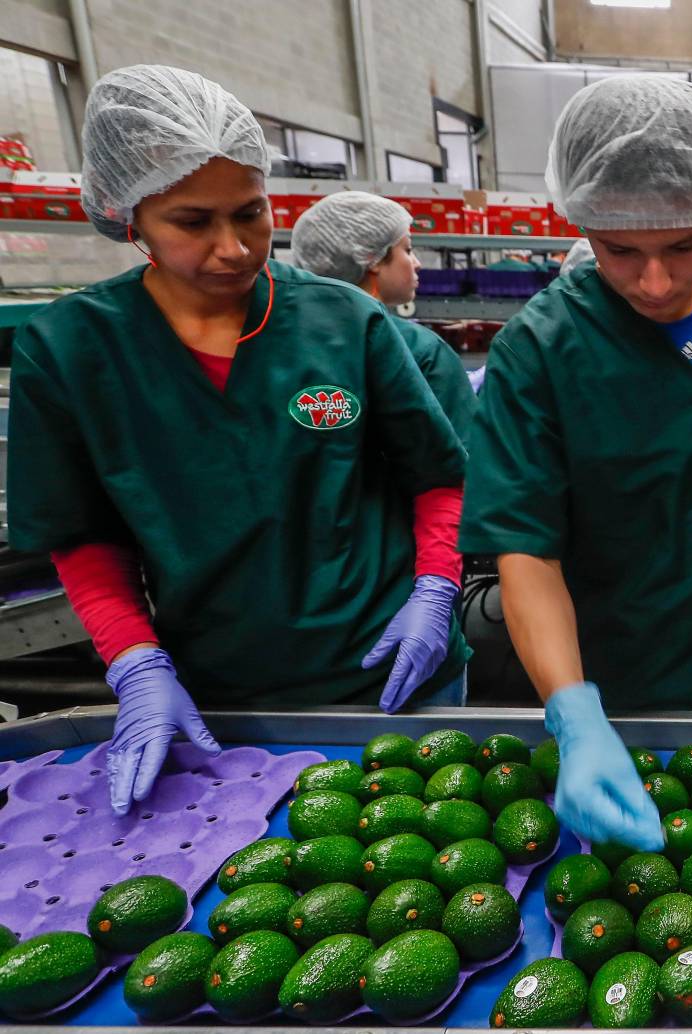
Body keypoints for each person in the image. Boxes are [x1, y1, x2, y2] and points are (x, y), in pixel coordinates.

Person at [7, 66, 470, 816]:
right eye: (192, 222)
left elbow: (437, 476)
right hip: (221, 691)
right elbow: (82, 537)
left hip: (399, 669)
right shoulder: (70, 350)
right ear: (130, 217)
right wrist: (134, 662)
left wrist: (435, 588)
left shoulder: (344, 323)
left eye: (251, 213)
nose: (233, 248)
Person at [459, 75, 692, 849]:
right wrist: (572, 715)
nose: (657, 280)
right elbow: (525, 552)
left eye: (682, 244)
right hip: (627, 689)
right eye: (620, 251)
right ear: (581, 225)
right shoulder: (540, 347)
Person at [291, 191, 477, 439]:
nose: (417, 263)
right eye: (408, 249)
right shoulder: (420, 350)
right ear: (372, 258)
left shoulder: (289, 342)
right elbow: (463, 458)